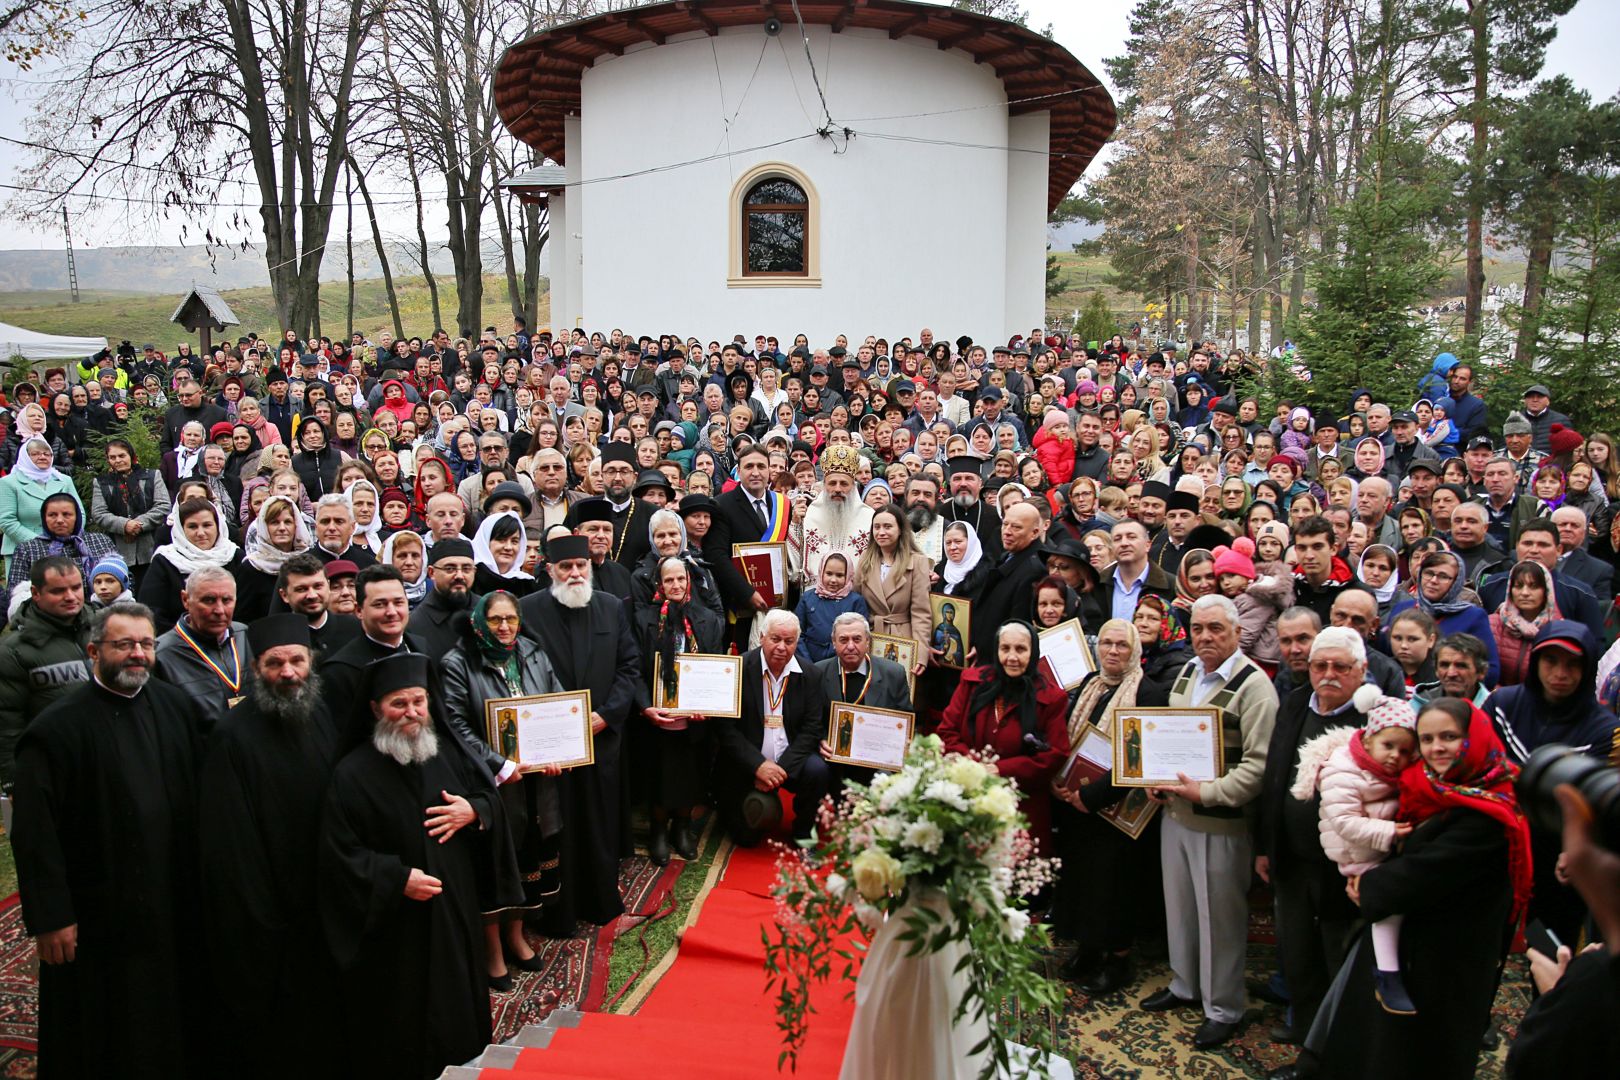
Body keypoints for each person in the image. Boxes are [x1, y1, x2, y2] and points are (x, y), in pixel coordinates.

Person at [11, 602, 209, 1078]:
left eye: (145, 644)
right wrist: (52, 917)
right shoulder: (55, 731)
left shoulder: (176, 707)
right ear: (94, 650)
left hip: (167, 898)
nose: (138, 655)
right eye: (124, 645)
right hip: (97, 911)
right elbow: (35, 835)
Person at [315, 652, 521, 1080]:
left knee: (459, 1006)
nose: (411, 713)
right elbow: (338, 854)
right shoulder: (350, 775)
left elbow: (492, 801)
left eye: (419, 702)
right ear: (375, 709)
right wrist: (395, 878)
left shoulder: (447, 753)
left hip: (454, 907)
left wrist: (474, 810)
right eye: (398, 704)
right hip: (395, 926)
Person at [1318, 698, 1531, 1080]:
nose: (1436, 748)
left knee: (1422, 1055)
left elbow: (1426, 871)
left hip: (1447, 957)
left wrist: (1369, 885)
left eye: (1450, 736)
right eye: (1427, 738)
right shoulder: (1428, 785)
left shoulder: (1488, 809)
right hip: (1413, 944)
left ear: (1475, 737)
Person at [196, 615, 344, 1079]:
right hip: (269, 904)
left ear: (310, 663)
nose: (288, 672)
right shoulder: (232, 735)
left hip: (325, 887)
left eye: (297, 661)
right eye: (274, 662)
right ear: (256, 668)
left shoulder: (319, 712)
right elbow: (229, 840)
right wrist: (260, 911)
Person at [1141, 594, 1277, 1050]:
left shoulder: (1255, 686)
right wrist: (1153, 779)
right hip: (1176, 814)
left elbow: (1258, 768)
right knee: (1178, 906)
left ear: (1237, 633)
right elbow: (1169, 742)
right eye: (1198, 628)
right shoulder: (1187, 673)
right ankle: (1184, 985)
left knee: (1219, 917)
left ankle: (1223, 1007)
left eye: (1216, 629)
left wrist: (1210, 793)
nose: (1205, 637)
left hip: (1222, 822)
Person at [440, 591, 565, 986]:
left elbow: (557, 700)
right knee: (496, 866)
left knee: (528, 858)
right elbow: (455, 726)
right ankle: (493, 950)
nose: (505, 627)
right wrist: (500, 764)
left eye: (511, 618)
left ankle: (516, 936)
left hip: (535, 783)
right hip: (490, 786)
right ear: (481, 620)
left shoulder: (530, 651)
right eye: (496, 620)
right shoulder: (458, 661)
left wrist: (562, 747)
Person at [519, 533, 641, 933]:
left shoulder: (610, 607)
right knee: (556, 827)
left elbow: (628, 667)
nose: (574, 573)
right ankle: (558, 914)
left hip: (600, 738)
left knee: (599, 822)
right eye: (566, 567)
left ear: (589, 566)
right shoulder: (527, 610)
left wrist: (606, 716)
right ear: (550, 569)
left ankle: (603, 905)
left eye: (580, 566)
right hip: (550, 747)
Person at [1050, 618, 1170, 994]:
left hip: (1120, 808)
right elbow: (1072, 735)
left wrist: (1093, 796)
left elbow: (1140, 758)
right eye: (1106, 643)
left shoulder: (1148, 693)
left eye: (1121, 645)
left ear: (1134, 650)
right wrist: (1063, 781)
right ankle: (1087, 948)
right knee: (1083, 879)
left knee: (1114, 885)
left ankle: (1117, 960)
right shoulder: (1090, 684)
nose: (1113, 651)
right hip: (1078, 803)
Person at [1485, 619, 1617, 945]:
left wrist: (1578, 849)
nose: (1560, 673)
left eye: (1573, 664)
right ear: (1536, 662)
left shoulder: (1605, 730)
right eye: (1551, 661)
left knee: (1552, 950)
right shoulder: (1502, 705)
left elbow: (1596, 803)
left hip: (1558, 855)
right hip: (1496, 846)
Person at [1292, 688, 1422, 1018]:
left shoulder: (1387, 772)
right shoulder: (1343, 769)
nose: (1395, 756)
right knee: (1385, 914)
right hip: (1356, 855)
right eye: (1388, 746)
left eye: (1404, 751)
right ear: (1368, 741)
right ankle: (1386, 976)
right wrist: (1392, 832)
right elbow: (1347, 823)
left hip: (1377, 854)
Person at [938, 621, 1069, 850]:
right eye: (1005, 648)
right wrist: (973, 768)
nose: (1012, 657)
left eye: (1021, 649)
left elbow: (1055, 754)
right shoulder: (972, 682)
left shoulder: (1051, 697)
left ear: (1034, 652)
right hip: (969, 796)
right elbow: (947, 732)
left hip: (1022, 807)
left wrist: (1001, 770)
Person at [633, 557, 726, 863]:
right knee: (660, 775)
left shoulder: (707, 619)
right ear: (660, 584)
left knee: (690, 774)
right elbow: (633, 668)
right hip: (657, 717)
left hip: (694, 718)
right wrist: (646, 706)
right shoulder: (643, 619)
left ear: (689, 582)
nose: (676, 586)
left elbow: (715, 667)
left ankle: (682, 830)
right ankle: (659, 831)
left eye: (681, 580)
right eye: (669, 581)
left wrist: (708, 705)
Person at [711, 608, 830, 845]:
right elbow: (725, 729)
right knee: (746, 839)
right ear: (762, 637)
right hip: (747, 761)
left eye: (789, 641)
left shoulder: (811, 675)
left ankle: (804, 832)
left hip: (791, 760)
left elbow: (812, 729)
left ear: (797, 642)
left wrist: (779, 770)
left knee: (818, 770)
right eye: (775, 639)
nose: (781, 647)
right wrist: (758, 766)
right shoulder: (738, 668)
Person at [0, 556, 91, 788]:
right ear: (36, 593)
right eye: (58, 591)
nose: (70, 597)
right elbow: (8, 722)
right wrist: (13, 780)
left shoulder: (106, 629)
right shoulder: (14, 651)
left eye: (76, 587)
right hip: (53, 771)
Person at [137, 497, 241, 634]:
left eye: (207, 525)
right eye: (192, 526)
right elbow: (151, 612)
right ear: (181, 529)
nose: (201, 533)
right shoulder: (166, 560)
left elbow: (247, 609)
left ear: (218, 526)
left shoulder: (234, 556)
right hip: (178, 643)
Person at [89, 437, 171, 591]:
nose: (118, 460)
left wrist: (138, 524)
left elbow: (163, 505)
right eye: (112, 457)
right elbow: (99, 513)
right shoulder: (101, 482)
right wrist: (124, 525)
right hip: (119, 548)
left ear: (131, 456)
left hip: (150, 545)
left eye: (122, 456)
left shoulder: (152, 476)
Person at [969, 502, 1047, 661]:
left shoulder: (1033, 570)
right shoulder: (1009, 556)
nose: (1007, 532)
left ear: (1034, 533)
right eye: (1005, 524)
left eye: (1016, 527)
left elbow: (1017, 626)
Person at [797, 444, 876, 583]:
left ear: (853, 486)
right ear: (824, 485)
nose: (837, 489)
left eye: (844, 484)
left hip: (857, 594)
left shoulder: (869, 517)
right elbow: (796, 563)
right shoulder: (811, 513)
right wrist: (795, 523)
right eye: (832, 483)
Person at [0, 436, 81, 569]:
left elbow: (79, 513)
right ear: (25, 456)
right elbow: (7, 521)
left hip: (63, 547)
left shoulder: (64, 480)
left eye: (46, 453)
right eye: (35, 454)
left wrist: (68, 538)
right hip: (23, 550)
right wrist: (41, 543)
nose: (42, 457)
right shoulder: (9, 482)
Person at [236, 494, 314, 623]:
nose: (282, 528)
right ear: (264, 527)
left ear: (296, 525)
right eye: (274, 522)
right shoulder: (251, 568)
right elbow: (241, 618)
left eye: (288, 522)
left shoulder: (309, 562)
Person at [275, 552, 362, 663]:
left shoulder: (356, 628)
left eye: (318, 586)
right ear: (284, 595)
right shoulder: (276, 638)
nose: (312, 595)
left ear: (328, 586)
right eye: (301, 589)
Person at [407, 538, 478, 656]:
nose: (459, 576)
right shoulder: (415, 625)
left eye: (466, 569)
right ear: (431, 573)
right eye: (450, 569)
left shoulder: (488, 612)